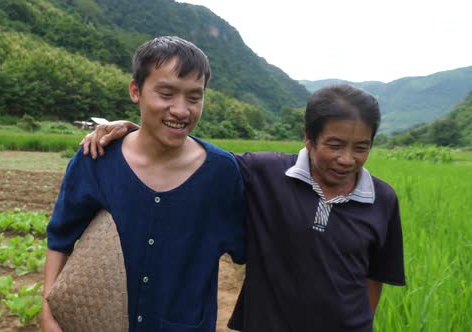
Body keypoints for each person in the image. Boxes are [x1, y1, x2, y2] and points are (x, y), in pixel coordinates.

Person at [80, 84, 406, 331]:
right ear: (309, 138)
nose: (347, 159)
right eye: (334, 145)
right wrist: (137, 131)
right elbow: (197, 158)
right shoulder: (266, 174)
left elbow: (374, 276)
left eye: (361, 147)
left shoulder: (382, 198)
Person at [42, 36, 246, 332]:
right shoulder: (97, 159)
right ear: (136, 90)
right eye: (166, 93)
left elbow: (249, 248)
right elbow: (60, 237)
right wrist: (48, 311)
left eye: (194, 97)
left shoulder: (222, 174)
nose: (180, 110)